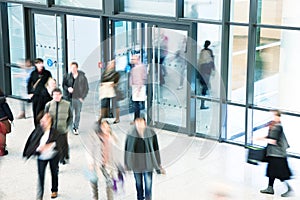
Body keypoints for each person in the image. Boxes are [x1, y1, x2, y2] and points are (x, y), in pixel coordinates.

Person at [23, 112, 62, 199]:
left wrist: (49, 145)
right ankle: (40, 195)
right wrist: (37, 149)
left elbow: (59, 143)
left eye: (45, 120)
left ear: (50, 121)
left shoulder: (55, 132)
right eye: (42, 120)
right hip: (41, 156)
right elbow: (32, 143)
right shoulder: (38, 131)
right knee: (41, 176)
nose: (43, 122)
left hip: (53, 155)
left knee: (54, 172)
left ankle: (54, 190)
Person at [124, 117, 165, 200]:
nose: (139, 124)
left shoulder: (151, 132)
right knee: (138, 185)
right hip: (136, 165)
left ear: (145, 123)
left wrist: (159, 164)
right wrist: (126, 164)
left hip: (148, 164)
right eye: (137, 122)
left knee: (148, 186)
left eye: (141, 122)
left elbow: (156, 149)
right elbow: (127, 149)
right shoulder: (131, 133)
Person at [257, 110, 293, 197]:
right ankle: (270, 188)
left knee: (279, 174)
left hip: (277, 155)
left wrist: (261, 139)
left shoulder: (277, 127)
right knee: (271, 172)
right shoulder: (275, 126)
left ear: (277, 116)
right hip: (274, 154)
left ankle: (289, 189)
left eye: (274, 115)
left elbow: (273, 140)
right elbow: (271, 136)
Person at [85, 119, 119, 200]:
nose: (106, 129)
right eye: (104, 127)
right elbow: (89, 149)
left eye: (107, 127)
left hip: (108, 164)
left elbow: (116, 149)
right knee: (94, 183)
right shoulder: (94, 136)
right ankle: (95, 198)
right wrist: (90, 162)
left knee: (109, 183)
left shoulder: (112, 136)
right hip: (96, 163)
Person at [45, 88, 72, 165]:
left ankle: (65, 157)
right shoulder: (49, 105)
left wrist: (67, 125)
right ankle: (57, 159)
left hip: (62, 128)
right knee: (55, 145)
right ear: (52, 96)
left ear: (61, 95)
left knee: (63, 144)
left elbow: (70, 116)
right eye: (55, 95)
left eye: (58, 95)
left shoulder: (67, 104)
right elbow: (46, 116)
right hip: (52, 129)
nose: (56, 96)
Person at [62, 61, 89, 135]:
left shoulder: (82, 77)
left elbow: (86, 88)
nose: (73, 69)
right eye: (72, 68)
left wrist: (82, 97)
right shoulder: (67, 76)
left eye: (74, 67)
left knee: (77, 114)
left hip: (78, 98)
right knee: (70, 114)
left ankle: (75, 127)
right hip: (69, 98)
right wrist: (68, 89)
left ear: (77, 68)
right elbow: (63, 85)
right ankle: (69, 126)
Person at [27, 58, 52, 126]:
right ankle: (37, 127)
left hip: (46, 96)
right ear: (36, 65)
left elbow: (50, 83)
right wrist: (30, 93)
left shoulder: (47, 73)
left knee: (46, 112)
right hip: (36, 96)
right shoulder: (33, 73)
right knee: (36, 112)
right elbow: (29, 83)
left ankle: (47, 126)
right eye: (38, 63)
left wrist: (51, 92)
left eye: (41, 63)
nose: (40, 65)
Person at [197, 40, 215, 109]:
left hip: (203, 69)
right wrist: (213, 68)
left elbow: (200, 61)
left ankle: (203, 101)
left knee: (205, 85)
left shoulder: (202, 51)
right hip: (206, 70)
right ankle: (202, 104)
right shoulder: (209, 51)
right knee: (205, 86)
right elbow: (212, 60)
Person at [130, 55, 147, 122]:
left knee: (136, 104)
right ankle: (137, 119)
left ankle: (137, 119)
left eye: (133, 59)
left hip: (138, 88)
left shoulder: (139, 67)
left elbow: (141, 78)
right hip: (136, 87)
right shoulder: (136, 67)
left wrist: (138, 90)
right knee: (136, 104)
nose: (132, 60)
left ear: (137, 59)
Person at [0, 88, 14, 156]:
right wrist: (11, 118)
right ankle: (2, 149)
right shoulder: (2, 100)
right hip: (3, 119)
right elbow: (7, 111)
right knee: (3, 134)